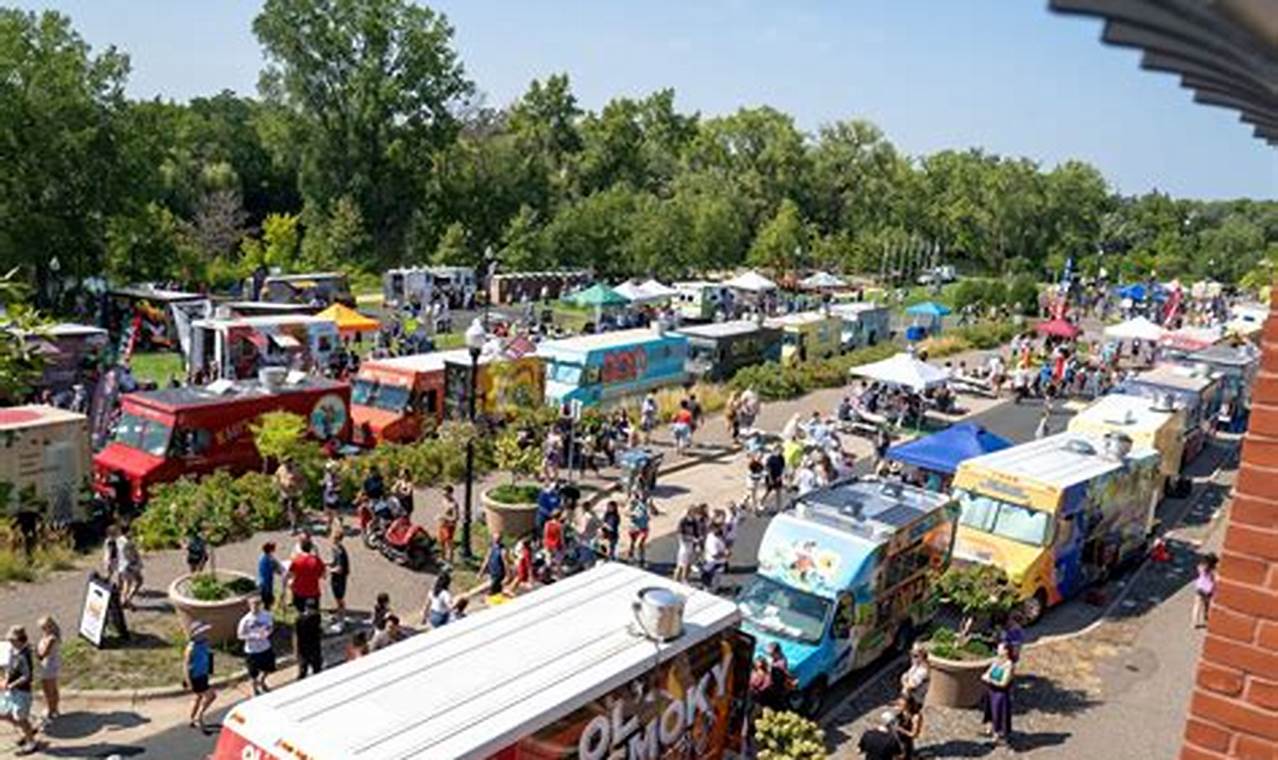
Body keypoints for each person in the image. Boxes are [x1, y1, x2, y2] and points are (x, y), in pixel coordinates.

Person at [237, 597, 275, 696]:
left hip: (265, 647)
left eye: (257, 604)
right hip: (251, 650)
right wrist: (252, 636)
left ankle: (262, 681)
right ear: (249, 606)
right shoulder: (245, 620)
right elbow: (240, 635)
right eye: (253, 604)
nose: (255, 606)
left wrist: (267, 633)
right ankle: (255, 690)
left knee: (269, 668)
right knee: (253, 673)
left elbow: (270, 627)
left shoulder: (267, 615)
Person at [183, 623, 216, 732]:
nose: (205, 633)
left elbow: (209, 655)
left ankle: (192, 719)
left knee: (198, 697)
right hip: (196, 677)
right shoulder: (191, 648)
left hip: (203, 675)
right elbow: (186, 666)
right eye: (202, 632)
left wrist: (210, 670)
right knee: (212, 696)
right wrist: (189, 682)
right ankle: (199, 717)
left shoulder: (205, 642)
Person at [981, 642, 1015, 745]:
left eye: (1000, 648)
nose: (998, 650)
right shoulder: (996, 660)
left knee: (999, 713)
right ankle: (990, 729)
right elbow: (987, 673)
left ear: (1006, 651)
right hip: (991, 691)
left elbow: (1003, 683)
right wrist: (987, 677)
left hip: (1001, 694)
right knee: (990, 711)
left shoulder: (1009, 665)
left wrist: (990, 680)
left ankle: (998, 736)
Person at [286, 537, 326, 612]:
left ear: (301, 548)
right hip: (313, 592)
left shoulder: (296, 560)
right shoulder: (316, 561)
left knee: (300, 613)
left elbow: (290, 574)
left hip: (299, 592)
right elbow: (323, 575)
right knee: (313, 615)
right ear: (310, 548)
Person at [35, 617, 60, 723]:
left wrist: (33, 651)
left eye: (44, 627)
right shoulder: (52, 636)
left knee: (48, 690)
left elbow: (42, 655)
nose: (43, 630)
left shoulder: (51, 639)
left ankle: (50, 710)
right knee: (53, 688)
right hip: (51, 665)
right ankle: (54, 709)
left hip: (48, 666)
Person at [295, 598, 324, 679]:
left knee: (316, 669)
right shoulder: (300, 620)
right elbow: (296, 635)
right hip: (305, 648)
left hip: (313, 647)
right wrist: (297, 651)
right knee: (304, 671)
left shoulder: (316, 616)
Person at [328, 531, 350, 631]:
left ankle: (342, 621)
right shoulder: (335, 549)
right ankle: (339, 615)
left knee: (340, 600)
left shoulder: (340, 552)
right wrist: (327, 564)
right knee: (337, 599)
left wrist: (330, 570)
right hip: (336, 578)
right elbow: (334, 562)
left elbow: (340, 569)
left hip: (339, 579)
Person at [276, 457, 305, 534]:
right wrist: (279, 487)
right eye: (285, 462)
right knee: (283, 509)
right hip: (284, 493)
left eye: (288, 462)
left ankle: (293, 527)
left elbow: (302, 480)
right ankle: (285, 525)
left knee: (292, 509)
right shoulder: (280, 469)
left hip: (293, 493)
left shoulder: (296, 469)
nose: (286, 464)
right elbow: (277, 478)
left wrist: (300, 489)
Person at [674, 507, 702, 583]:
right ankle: (675, 580)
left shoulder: (694, 522)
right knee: (681, 566)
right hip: (684, 546)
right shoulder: (682, 521)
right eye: (694, 513)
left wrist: (697, 544)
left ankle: (685, 579)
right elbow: (681, 536)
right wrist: (692, 539)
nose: (695, 515)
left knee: (688, 565)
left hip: (691, 546)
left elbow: (697, 534)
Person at [1193, 553, 1218, 628]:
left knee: (1197, 605)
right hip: (1208, 590)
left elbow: (1198, 570)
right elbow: (1215, 579)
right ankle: (1206, 616)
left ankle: (1194, 622)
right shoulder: (1213, 570)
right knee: (1207, 605)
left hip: (1200, 588)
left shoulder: (1201, 567)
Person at [701, 524, 728, 591]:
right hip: (712, 562)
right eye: (718, 528)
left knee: (718, 577)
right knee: (708, 576)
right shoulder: (711, 540)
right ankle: (707, 590)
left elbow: (723, 545)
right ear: (713, 530)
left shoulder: (720, 535)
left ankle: (715, 589)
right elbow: (715, 555)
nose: (720, 530)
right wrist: (725, 554)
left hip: (720, 561)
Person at [626, 496, 651, 566]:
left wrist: (650, 506)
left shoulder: (647, 503)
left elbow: (654, 512)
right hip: (635, 527)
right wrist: (633, 515)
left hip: (644, 527)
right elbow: (626, 512)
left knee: (641, 544)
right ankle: (630, 556)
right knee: (633, 542)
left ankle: (641, 559)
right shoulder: (633, 503)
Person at [257, 542, 282, 610]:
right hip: (265, 583)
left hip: (263, 581)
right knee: (267, 601)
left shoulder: (264, 556)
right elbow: (276, 568)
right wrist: (281, 572)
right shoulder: (268, 559)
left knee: (267, 599)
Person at [437, 485, 458, 564]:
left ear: (450, 493)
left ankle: (450, 560)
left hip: (449, 526)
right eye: (443, 493)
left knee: (449, 543)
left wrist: (444, 517)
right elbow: (442, 511)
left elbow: (455, 518)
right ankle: (443, 558)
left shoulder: (454, 504)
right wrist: (439, 516)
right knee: (440, 542)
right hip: (441, 524)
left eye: (445, 493)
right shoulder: (443, 500)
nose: (443, 494)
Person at [764, 446, 786, 512]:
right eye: (780, 451)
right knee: (768, 491)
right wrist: (770, 479)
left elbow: (782, 467)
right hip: (771, 477)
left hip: (778, 477)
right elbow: (768, 470)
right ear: (775, 450)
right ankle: (762, 501)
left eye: (782, 452)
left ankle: (779, 508)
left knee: (779, 492)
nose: (781, 453)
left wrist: (781, 476)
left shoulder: (781, 457)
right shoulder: (770, 459)